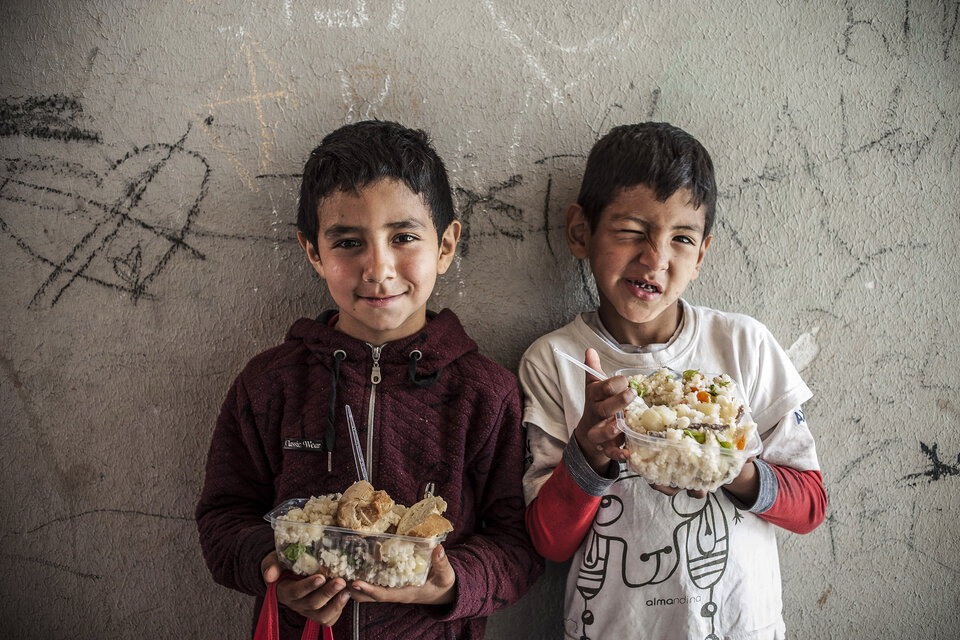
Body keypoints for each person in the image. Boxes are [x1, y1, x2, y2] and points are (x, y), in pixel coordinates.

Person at [196, 120, 543, 640]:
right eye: (348, 242)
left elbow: (517, 545)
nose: (378, 269)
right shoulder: (270, 385)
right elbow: (223, 517)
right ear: (314, 252)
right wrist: (272, 566)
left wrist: (450, 585)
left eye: (403, 237)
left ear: (446, 245)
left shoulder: (484, 394)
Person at [520, 122, 826, 640]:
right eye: (632, 230)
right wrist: (588, 451)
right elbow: (549, 543)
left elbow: (811, 506)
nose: (655, 258)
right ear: (580, 232)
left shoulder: (743, 345)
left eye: (681, 238)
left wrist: (728, 464)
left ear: (701, 254)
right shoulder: (557, 361)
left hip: (738, 628)